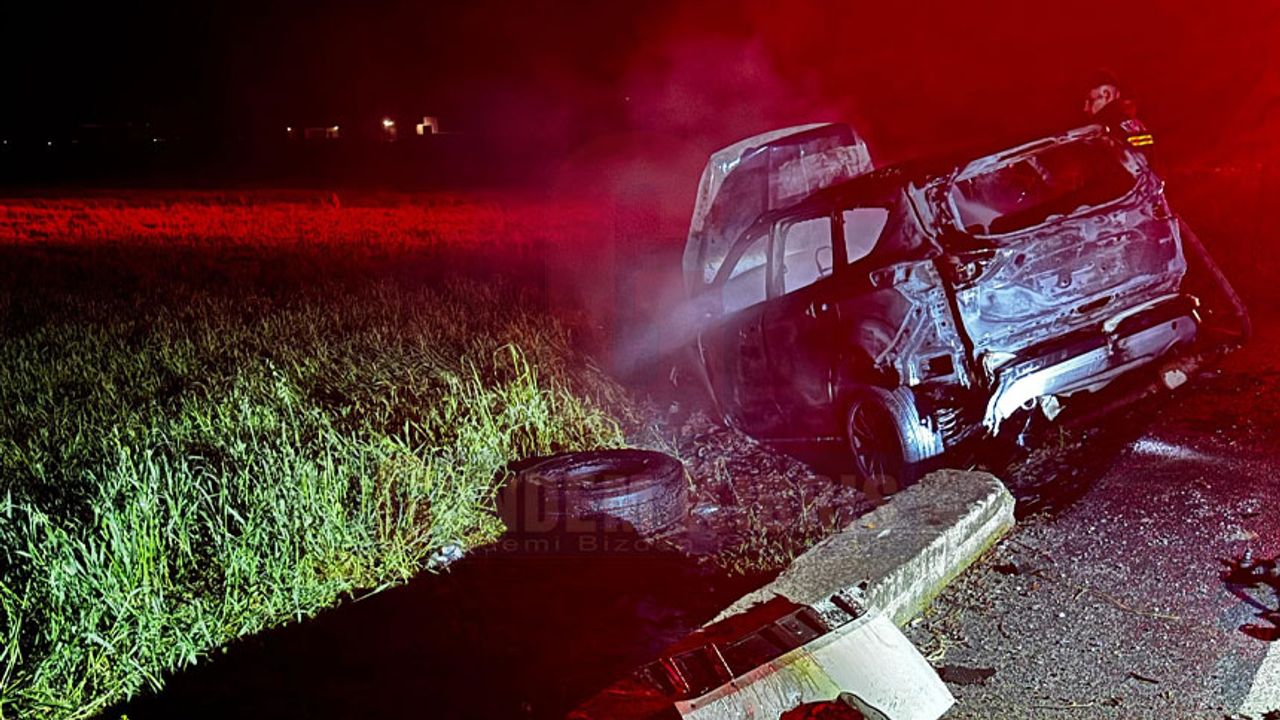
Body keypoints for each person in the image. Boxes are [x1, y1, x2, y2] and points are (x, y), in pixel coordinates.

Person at [1083, 70, 1154, 150]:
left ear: (1107, 95)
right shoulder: (1135, 126)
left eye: (1090, 100)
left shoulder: (1126, 127)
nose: (1085, 109)